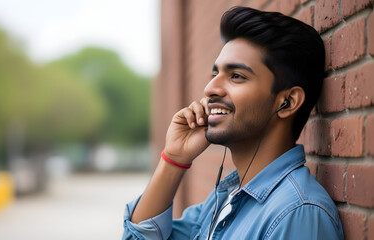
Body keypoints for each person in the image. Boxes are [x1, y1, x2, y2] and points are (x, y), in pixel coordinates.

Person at [123, 6, 344, 240]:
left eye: (236, 76)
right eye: (215, 74)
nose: (210, 88)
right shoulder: (227, 197)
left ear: (287, 102)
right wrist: (174, 159)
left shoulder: (297, 214)